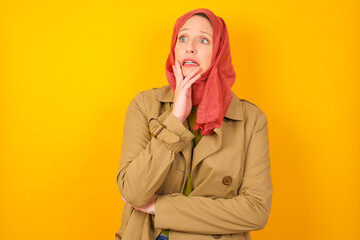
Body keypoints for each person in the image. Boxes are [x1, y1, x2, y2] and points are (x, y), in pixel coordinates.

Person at [116, 8, 272, 240]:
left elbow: (256, 210)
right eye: (183, 37)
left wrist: (162, 207)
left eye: (203, 40)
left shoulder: (251, 120)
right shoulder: (144, 105)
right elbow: (134, 193)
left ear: (218, 51)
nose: (190, 47)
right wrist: (175, 119)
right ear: (175, 48)